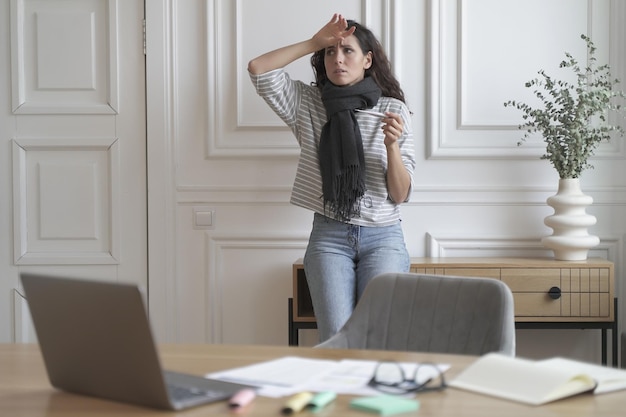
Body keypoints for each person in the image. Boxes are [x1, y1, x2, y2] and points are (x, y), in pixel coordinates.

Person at [248, 14, 415, 342]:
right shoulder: (307, 104)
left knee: (377, 337)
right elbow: (258, 68)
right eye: (329, 52)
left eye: (347, 51)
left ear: (367, 60)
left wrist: (392, 146)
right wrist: (314, 42)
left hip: (383, 237)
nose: (337, 58)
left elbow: (400, 194)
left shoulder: (392, 109)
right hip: (330, 236)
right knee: (335, 340)